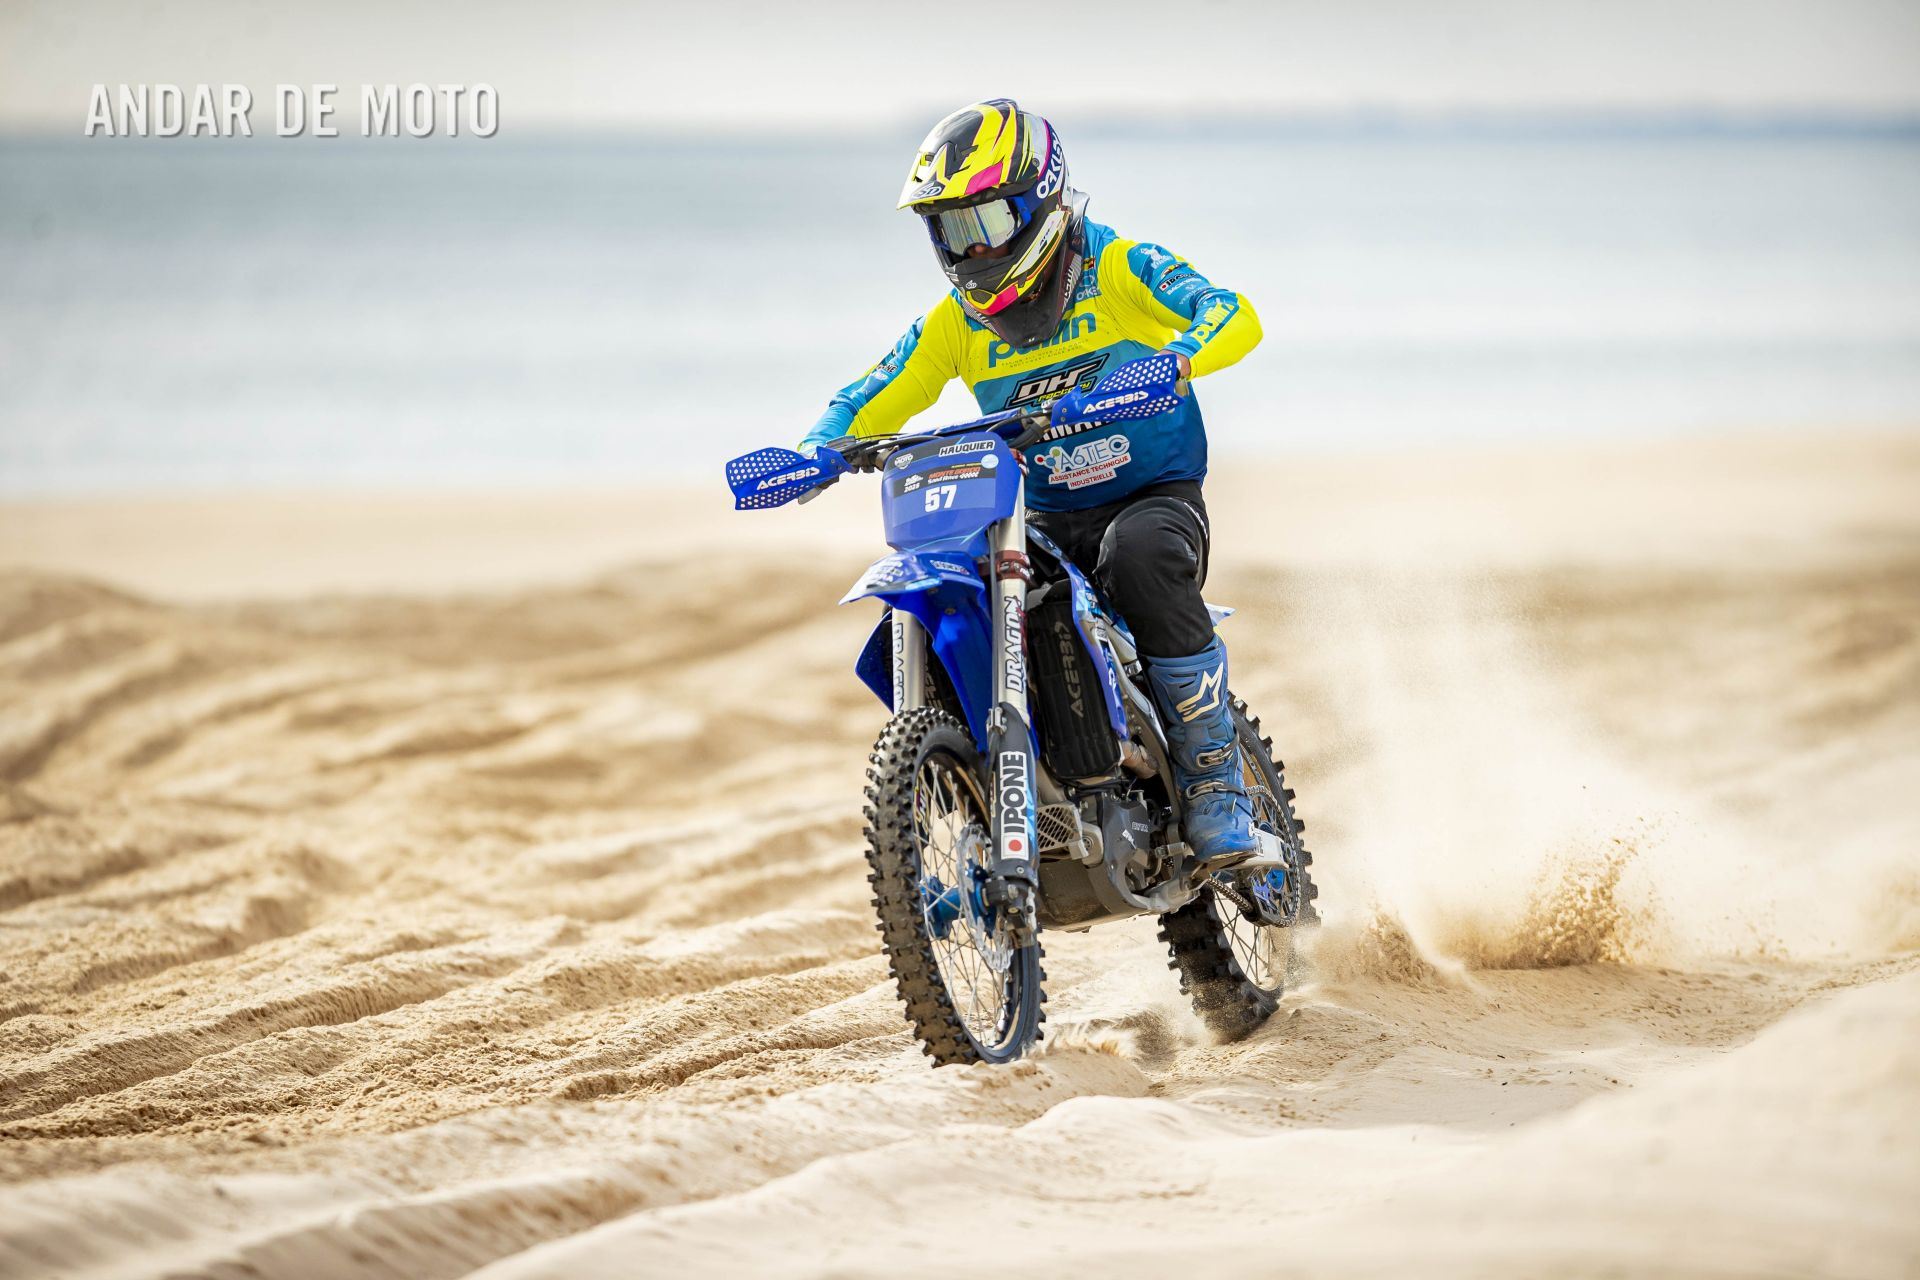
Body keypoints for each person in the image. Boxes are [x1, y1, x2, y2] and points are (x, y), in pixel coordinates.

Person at [798, 99, 1265, 865]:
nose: (972, 248)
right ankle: (985, 781)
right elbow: (869, 395)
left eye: (984, 222)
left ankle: (1216, 783)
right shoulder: (956, 322)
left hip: (1152, 498)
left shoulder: (1118, 267)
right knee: (967, 586)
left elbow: (1230, 312)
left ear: (1040, 199)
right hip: (1041, 521)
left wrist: (1176, 360)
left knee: (1141, 553)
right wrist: (818, 448)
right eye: (952, 230)